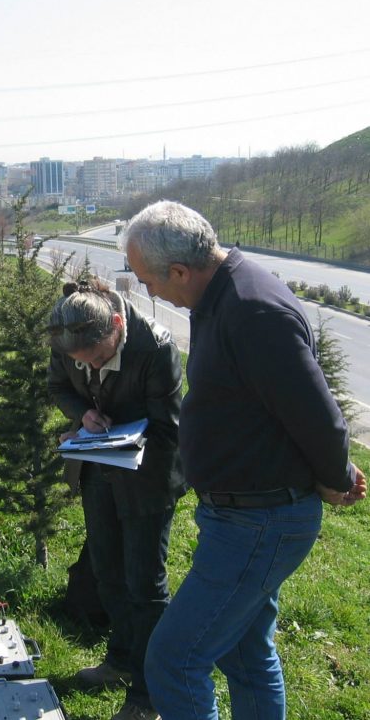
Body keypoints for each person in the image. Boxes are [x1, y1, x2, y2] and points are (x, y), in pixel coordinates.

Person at [123, 200, 367, 719]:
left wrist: (335, 476)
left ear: (181, 271)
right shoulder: (221, 297)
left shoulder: (252, 310)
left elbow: (317, 414)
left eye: (149, 281)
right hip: (244, 515)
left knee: (174, 659)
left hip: (260, 520)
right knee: (244, 651)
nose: (150, 292)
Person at [47, 278, 186, 720]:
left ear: (119, 325)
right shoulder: (68, 331)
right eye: (80, 361)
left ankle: (148, 695)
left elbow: (169, 430)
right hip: (97, 470)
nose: (89, 367)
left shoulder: (157, 349)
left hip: (149, 476)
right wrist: (82, 415)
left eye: (100, 358)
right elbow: (59, 386)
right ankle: (122, 661)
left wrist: (125, 437)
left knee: (145, 585)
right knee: (108, 572)